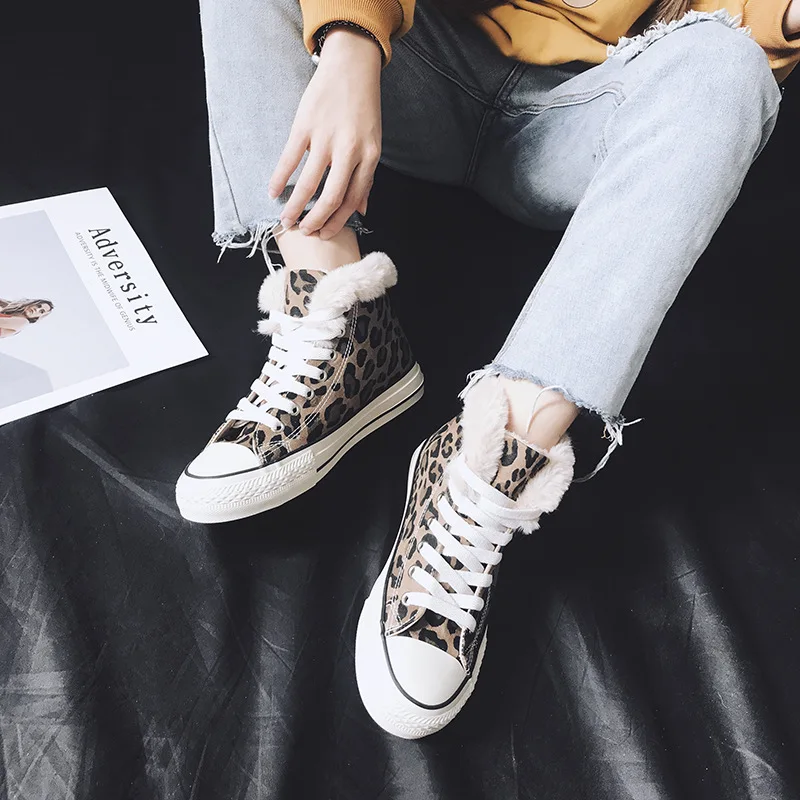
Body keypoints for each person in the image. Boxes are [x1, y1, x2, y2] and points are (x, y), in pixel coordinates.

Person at [176, 0, 800, 738]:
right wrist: (350, 38)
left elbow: (731, 35)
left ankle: (488, 458)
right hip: (414, 61)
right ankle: (343, 324)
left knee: (729, 68)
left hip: (581, 112)